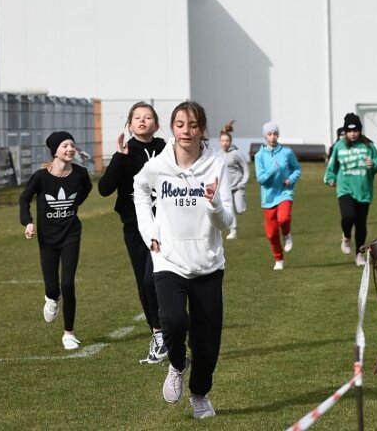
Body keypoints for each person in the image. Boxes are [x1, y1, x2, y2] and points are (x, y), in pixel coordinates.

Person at [133, 101, 233, 420]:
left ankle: (199, 394)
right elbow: (139, 188)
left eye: (192, 125)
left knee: (207, 343)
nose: (186, 131)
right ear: (172, 128)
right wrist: (149, 229)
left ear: (202, 129)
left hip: (207, 264)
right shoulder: (158, 165)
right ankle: (177, 364)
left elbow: (227, 223)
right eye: (180, 124)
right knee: (173, 321)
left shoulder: (216, 166)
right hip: (169, 261)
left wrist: (214, 203)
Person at [98, 102, 168, 364]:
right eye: (137, 118)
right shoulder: (125, 154)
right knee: (146, 280)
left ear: (157, 124)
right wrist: (119, 156)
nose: (142, 121)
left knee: (168, 278)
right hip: (136, 227)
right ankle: (158, 334)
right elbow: (104, 189)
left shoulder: (166, 149)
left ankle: (174, 330)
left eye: (148, 117)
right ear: (129, 125)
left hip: (167, 224)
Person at [19, 131, 93, 350]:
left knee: (68, 283)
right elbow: (24, 198)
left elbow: (86, 189)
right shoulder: (41, 177)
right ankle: (52, 298)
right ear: (55, 152)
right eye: (64, 146)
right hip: (47, 238)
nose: (70, 149)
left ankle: (68, 333)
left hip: (71, 234)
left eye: (72, 145)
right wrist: (28, 222)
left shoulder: (80, 173)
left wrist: (75, 204)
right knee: (53, 287)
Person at [324, 113, 377, 266]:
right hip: (344, 189)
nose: (353, 134)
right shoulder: (339, 146)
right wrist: (330, 179)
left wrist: (374, 165)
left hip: (364, 191)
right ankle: (346, 236)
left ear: (360, 130)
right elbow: (331, 167)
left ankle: (359, 254)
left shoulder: (368, 146)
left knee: (361, 223)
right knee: (348, 216)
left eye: (355, 130)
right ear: (345, 131)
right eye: (349, 131)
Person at [254, 121, 301, 270]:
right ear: (265, 136)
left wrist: (291, 179)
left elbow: (297, 169)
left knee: (284, 218)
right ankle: (279, 259)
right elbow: (261, 179)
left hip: (285, 192)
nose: (273, 137)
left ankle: (287, 234)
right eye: (269, 134)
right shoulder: (259, 156)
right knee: (271, 233)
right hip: (268, 197)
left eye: (275, 134)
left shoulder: (286, 152)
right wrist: (273, 169)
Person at [218, 120, 250, 240]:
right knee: (229, 209)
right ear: (219, 142)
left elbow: (246, 169)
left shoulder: (236, 154)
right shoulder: (218, 154)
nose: (224, 143)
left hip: (238, 187)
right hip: (226, 188)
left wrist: (243, 183)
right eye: (222, 141)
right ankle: (233, 231)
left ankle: (241, 201)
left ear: (230, 142)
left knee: (240, 210)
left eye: (227, 141)